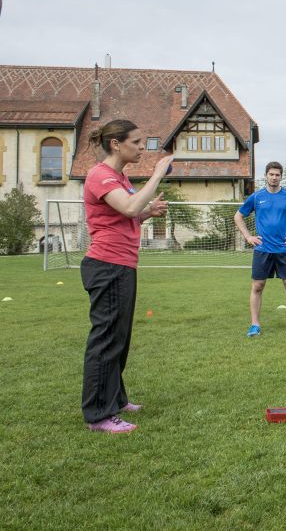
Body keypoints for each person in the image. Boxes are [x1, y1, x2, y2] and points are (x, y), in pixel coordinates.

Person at [80, 119, 172, 433]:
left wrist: (149, 212)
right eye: (136, 142)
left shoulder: (119, 176)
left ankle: (115, 399)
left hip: (122, 265)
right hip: (106, 265)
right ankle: (98, 415)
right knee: (105, 340)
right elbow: (130, 208)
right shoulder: (100, 175)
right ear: (116, 144)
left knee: (119, 339)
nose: (141, 147)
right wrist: (157, 174)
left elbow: (128, 214)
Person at [235, 161, 286, 336]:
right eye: (271, 174)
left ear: (281, 177)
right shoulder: (256, 196)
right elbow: (238, 216)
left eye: (278, 175)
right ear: (266, 176)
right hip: (262, 249)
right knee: (258, 286)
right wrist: (248, 237)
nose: (274, 177)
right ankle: (255, 324)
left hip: (284, 249)